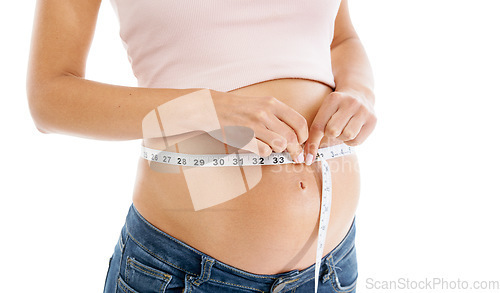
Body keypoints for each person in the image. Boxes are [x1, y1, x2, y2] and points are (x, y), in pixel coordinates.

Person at [27, 0, 376, 292]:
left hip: (331, 268)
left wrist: (359, 91)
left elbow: (339, 38)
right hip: (184, 271)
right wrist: (202, 108)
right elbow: (49, 97)